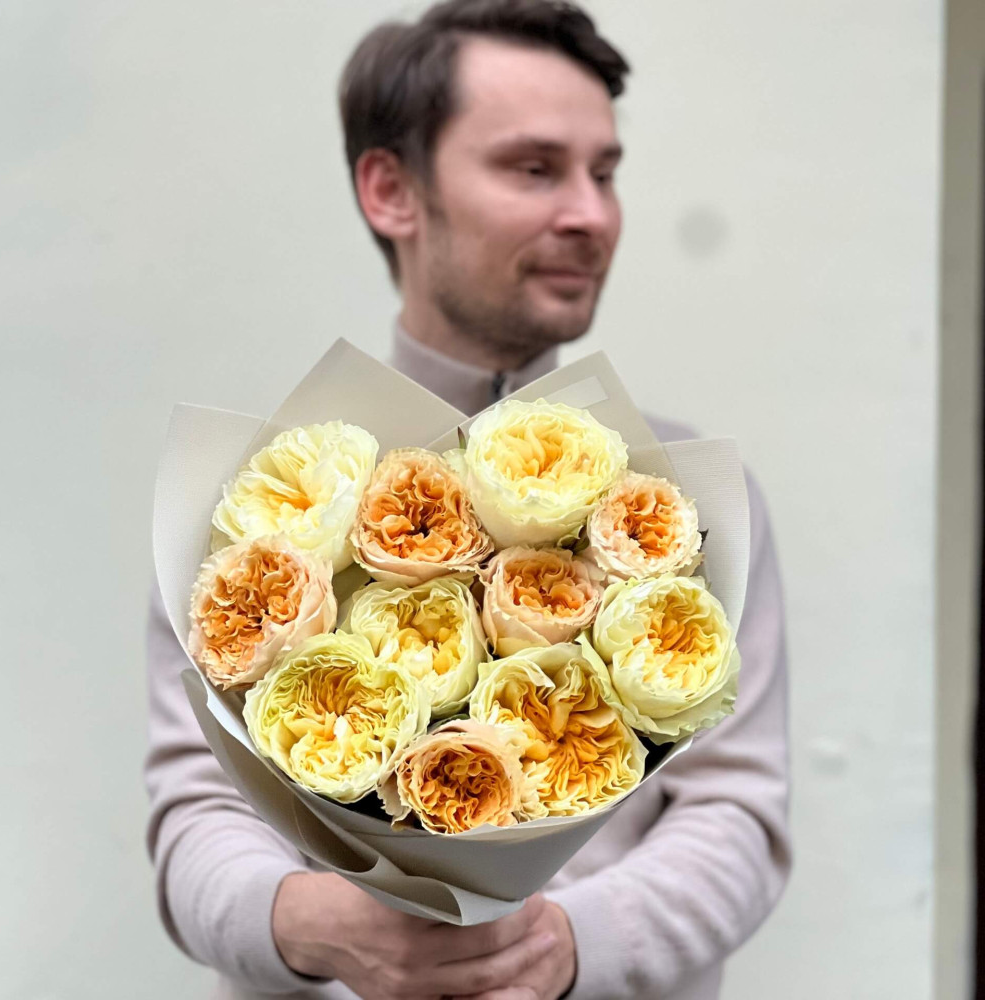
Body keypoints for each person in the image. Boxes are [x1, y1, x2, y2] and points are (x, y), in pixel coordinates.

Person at [144, 2, 791, 998]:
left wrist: (569, 946)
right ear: (390, 191)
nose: (590, 214)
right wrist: (311, 927)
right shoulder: (259, 509)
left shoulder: (690, 499)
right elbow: (195, 812)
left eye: (604, 172)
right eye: (534, 168)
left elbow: (738, 812)